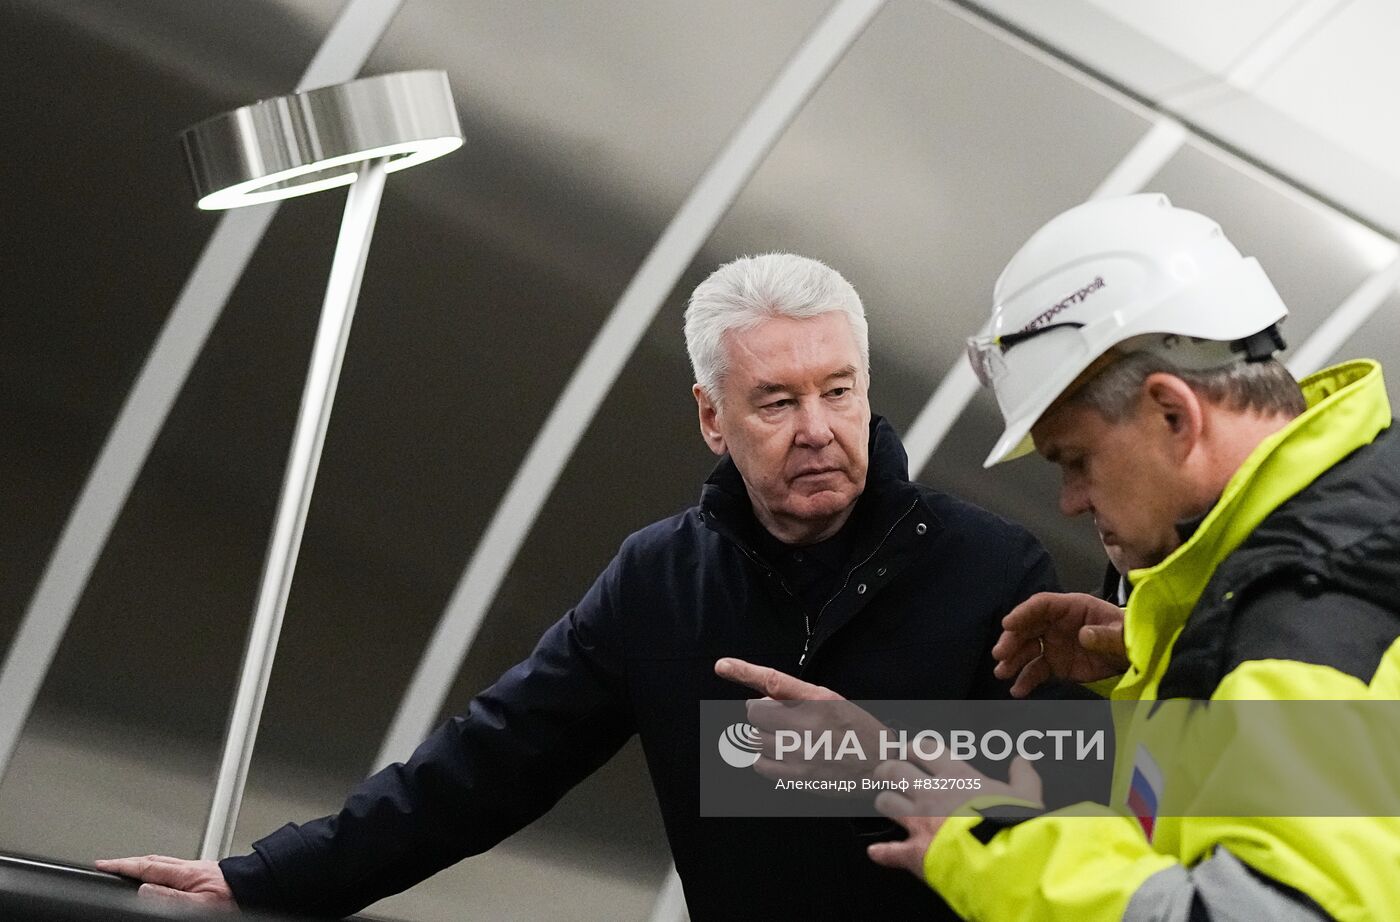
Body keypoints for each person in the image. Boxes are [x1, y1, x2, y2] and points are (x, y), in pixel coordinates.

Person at [99, 253, 1058, 919]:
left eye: (838, 389)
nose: (818, 426)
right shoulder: (661, 581)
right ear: (711, 418)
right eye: (777, 400)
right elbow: (488, 765)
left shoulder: (992, 568)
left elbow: (1103, 814)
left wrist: (878, 763)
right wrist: (263, 881)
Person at [855, 193, 1400, 920]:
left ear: (1174, 414)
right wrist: (1164, 650)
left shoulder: (1308, 625)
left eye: (1075, 459)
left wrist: (990, 844)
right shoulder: (1317, 564)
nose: (1071, 501)